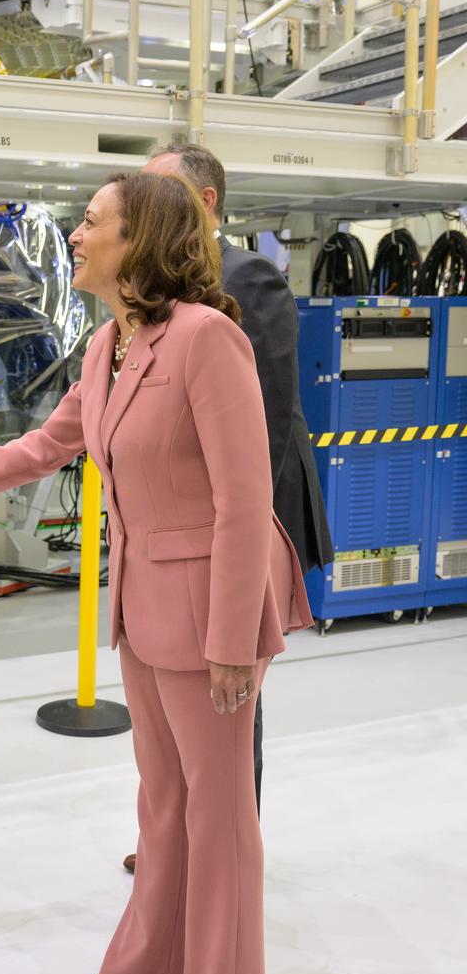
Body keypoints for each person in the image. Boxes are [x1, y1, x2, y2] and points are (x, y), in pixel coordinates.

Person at [0, 172, 311, 974]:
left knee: (219, 816)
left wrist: (234, 638)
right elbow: (43, 447)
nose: (76, 233)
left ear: (139, 239)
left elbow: (242, 498)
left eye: (93, 221)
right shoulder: (113, 344)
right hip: (146, 604)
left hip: (210, 613)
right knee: (162, 807)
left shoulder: (207, 339)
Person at [135, 143, 333, 851]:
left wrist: (241, 541)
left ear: (206, 201)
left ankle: (225, 841)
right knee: (185, 696)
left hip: (247, 521)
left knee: (232, 693)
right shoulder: (158, 282)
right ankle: (181, 834)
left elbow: (269, 420)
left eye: (158, 193)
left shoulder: (249, 277)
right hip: (184, 527)